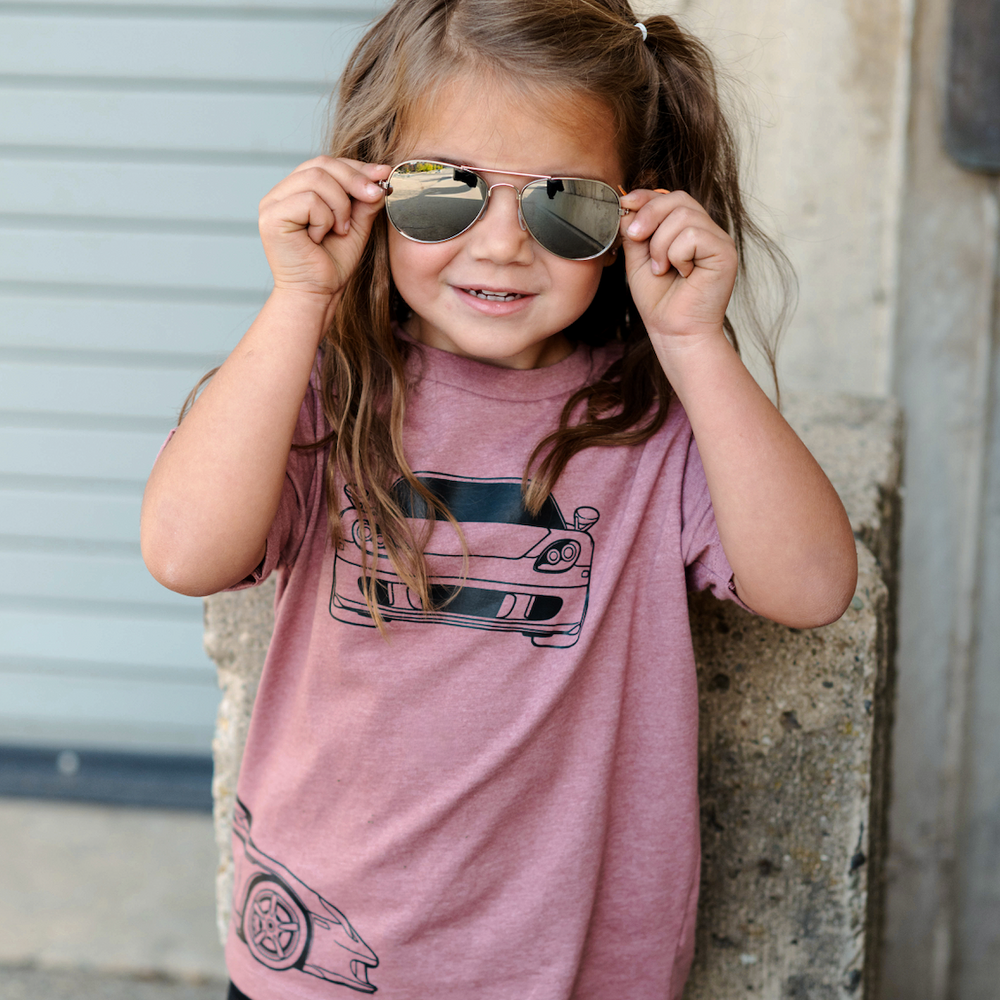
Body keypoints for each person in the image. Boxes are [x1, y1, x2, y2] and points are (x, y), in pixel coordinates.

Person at [141, 2, 858, 997]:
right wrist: (299, 299)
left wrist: (695, 342)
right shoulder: (322, 390)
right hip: (324, 961)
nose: (501, 244)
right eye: (446, 192)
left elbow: (813, 584)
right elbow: (183, 551)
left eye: (564, 203)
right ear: (371, 184)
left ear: (637, 212)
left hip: (575, 972)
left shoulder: (651, 422)